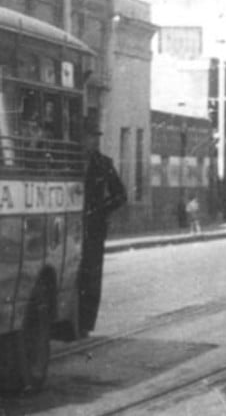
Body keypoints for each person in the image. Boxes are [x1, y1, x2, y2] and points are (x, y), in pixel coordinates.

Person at [78, 124, 127, 335]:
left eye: (95, 137)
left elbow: (120, 195)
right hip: (73, 226)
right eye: (89, 137)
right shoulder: (70, 161)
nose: (93, 141)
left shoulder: (104, 164)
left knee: (91, 277)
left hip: (94, 228)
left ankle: (86, 323)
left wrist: (101, 210)